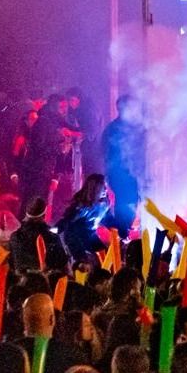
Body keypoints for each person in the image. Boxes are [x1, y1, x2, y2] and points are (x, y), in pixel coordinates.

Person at [101, 95, 146, 232]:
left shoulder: (134, 127)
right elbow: (107, 153)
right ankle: (121, 238)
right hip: (121, 175)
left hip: (132, 174)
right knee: (125, 206)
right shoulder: (113, 129)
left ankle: (123, 234)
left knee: (132, 204)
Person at [54, 173, 115, 262]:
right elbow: (65, 222)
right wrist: (51, 231)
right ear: (95, 188)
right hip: (75, 239)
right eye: (103, 187)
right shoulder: (81, 207)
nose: (106, 190)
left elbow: (109, 221)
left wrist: (122, 232)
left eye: (106, 187)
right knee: (83, 262)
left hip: (91, 236)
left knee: (106, 258)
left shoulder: (103, 205)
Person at [8, 199, 70, 273]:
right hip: (44, 282)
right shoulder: (51, 238)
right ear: (44, 216)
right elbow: (64, 266)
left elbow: (11, 264)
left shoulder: (14, 237)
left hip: (20, 281)